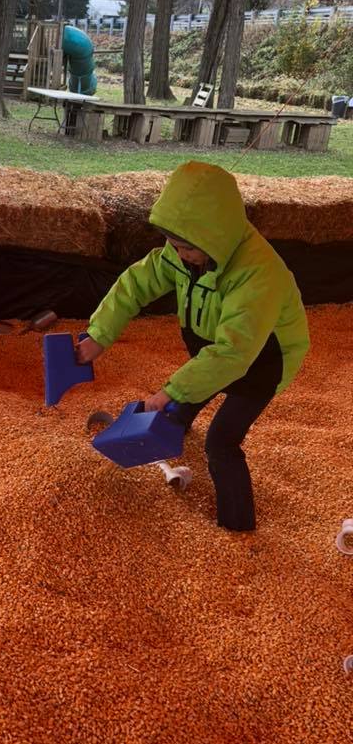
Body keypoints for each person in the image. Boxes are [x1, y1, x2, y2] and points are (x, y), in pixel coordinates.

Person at [76, 161, 310, 532]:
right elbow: (137, 283)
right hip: (212, 348)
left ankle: (238, 527)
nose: (179, 254)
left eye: (186, 247)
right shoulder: (187, 250)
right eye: (173, 245)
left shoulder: (258, 275)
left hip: (263, 362)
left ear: (216, 238)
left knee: (220, 443)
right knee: (182, 399)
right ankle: (173, 428)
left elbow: (233, 354)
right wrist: (99, 335)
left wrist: (168, 391)